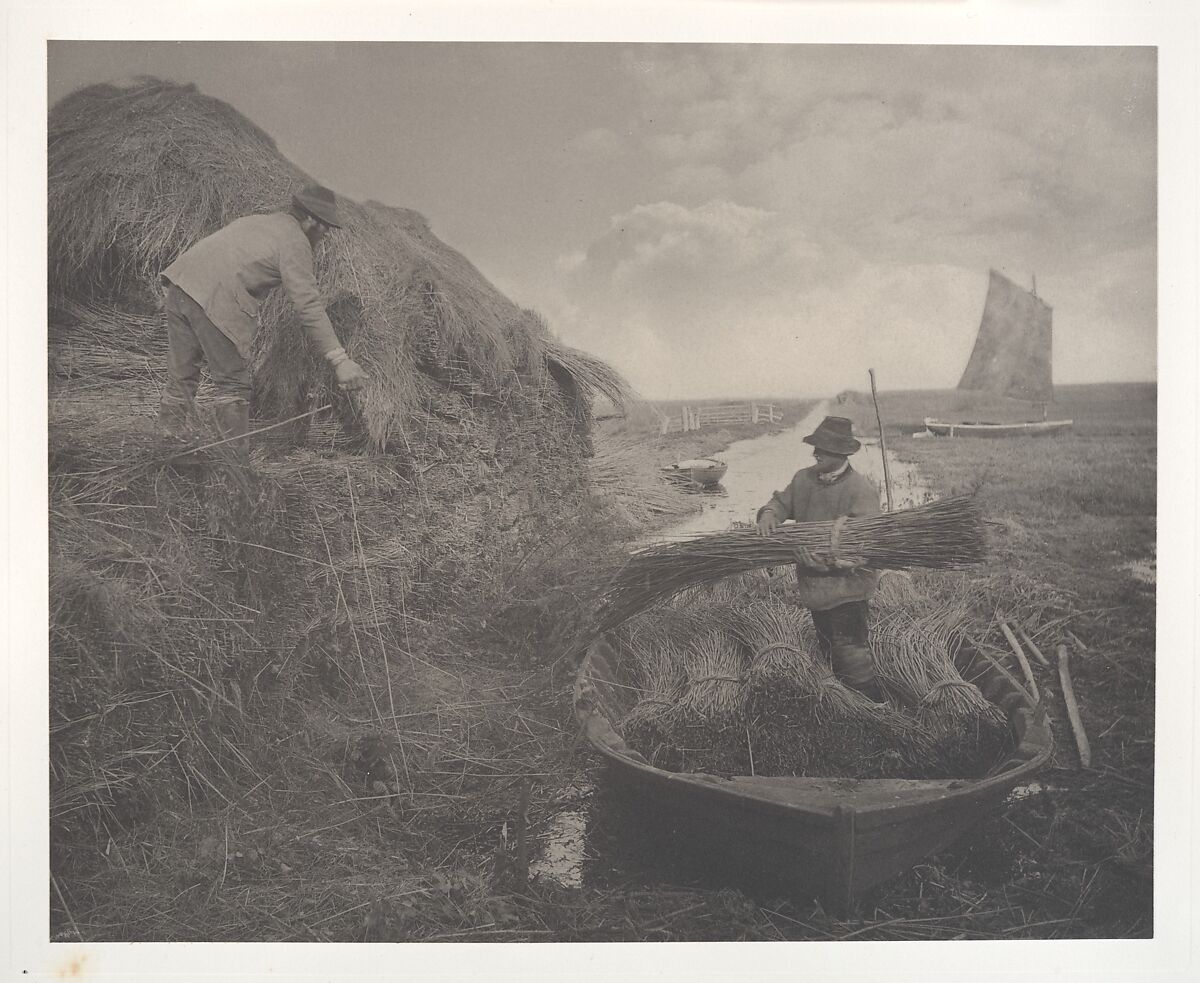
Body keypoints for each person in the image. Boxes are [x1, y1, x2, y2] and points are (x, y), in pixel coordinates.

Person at [157, 184, 368, 453]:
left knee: (181, 377)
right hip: (215, 295)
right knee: (233, 384)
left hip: (180, 284)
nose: (325, 233)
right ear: (311, 220)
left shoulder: (258, 221)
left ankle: (166, 448)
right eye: (325, 226)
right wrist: (340, 359)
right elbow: (308, 305)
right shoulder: (295, 241)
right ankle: (232, 468)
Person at [755, 415, 885, 700]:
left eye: (822, 450)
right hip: (814, 590)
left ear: (841, 454)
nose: (815, 454)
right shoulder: (803, 479)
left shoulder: (861, 491)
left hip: (847, 591)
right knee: (827, 646)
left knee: (851, 653)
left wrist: (826, 565)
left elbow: (863, 551)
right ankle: (841, 703)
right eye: (815, 448)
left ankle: (872, 707)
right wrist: (769, 514)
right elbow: (781, 501)